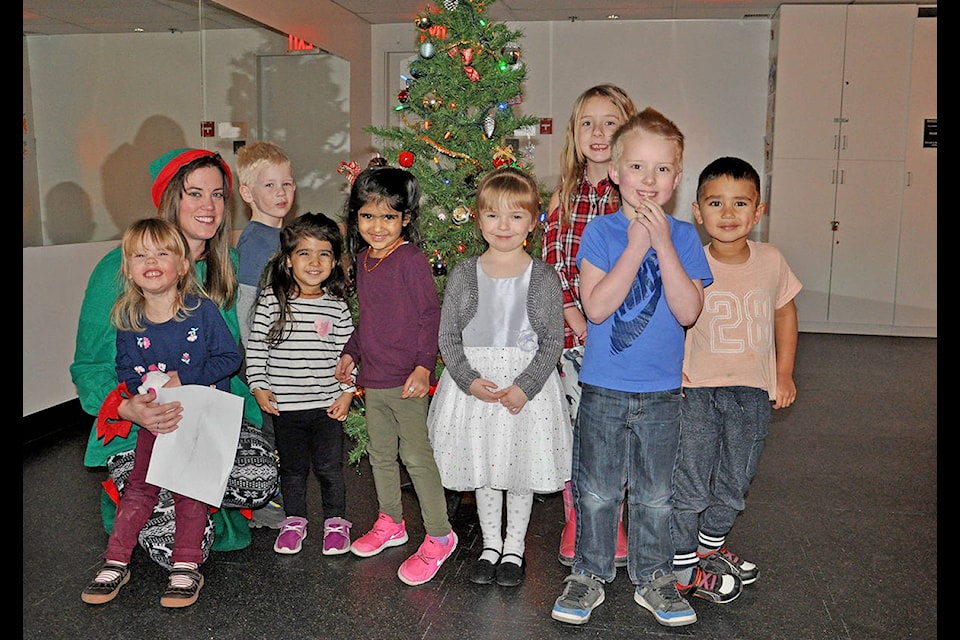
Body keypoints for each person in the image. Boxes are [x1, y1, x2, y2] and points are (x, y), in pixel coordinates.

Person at [550, 108, 716, 628]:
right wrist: (637, 244)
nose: (650, 180)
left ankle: (654, 580)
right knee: (596, 488)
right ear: (616, 172)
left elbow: (688, 311)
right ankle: (589, 575)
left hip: (663, 392)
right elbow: (596, 308)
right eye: (639, 168)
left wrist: (663, 242)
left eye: (662, 169)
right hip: (603, 387)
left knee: (655, 493)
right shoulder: (600, 232)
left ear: (677, 176)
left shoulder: (686, 238)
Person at [71, 148, 275, 570]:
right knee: (173, 548)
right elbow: (90, 366)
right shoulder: (119, 268)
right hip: (144, 424)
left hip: (209, 416)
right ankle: (142, 495)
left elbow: (238, 353)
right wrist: (127, 407)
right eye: (194, 193)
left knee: (260, 480)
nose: (209, 206)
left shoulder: (229, 265)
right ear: (170, 201)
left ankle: (196, 498)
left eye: (218, 195)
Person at [81, 218, 242, 608]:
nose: (150, 262)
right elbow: (124, 370)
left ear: (182, 265)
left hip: (199, 420)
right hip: (157, 421)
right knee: (140, 489)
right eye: (140, 255)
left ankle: (186, 566)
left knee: (190, 490)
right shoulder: (129, 319)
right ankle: (115, 560)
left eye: (162, 253)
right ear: (129, 269)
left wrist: (181, 377)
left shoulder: (201, 311)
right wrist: (139, 399)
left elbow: (230, 358)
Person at [428, 167, 572, 588]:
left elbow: (552, 341)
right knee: (485, 467)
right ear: (478, 219)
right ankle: (490, 545)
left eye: (515, 216)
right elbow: (448, 335)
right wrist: (468, 379)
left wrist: (526, 387)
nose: (503, 226)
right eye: (493, 216)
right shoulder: (463, 273)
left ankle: (515, 548)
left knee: (518, 469)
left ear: (532, 221)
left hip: (524, 390)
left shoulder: (543, 276)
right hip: (476, 389)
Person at [671, 156, 801, 600]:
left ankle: (710, 547)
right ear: (697, 210)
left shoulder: (771, 260)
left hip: (752, 391)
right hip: (697, 390)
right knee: (690, 476)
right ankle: (683, 561)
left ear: (758, 211)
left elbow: (785, 311)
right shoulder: (689, 261)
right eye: (716, 203)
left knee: (736, 477)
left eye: (740, 203)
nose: (728, 215)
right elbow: (673, 318)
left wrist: (783, 373)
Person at [334, 166, 457, 586]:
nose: (377, 226)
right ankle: (392, 522)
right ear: (356, 219)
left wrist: (424, 367)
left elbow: (429, 315)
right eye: (368, 216)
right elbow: (368, 319)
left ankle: (440, 535)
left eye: (388, 217)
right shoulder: (364, 262)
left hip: (407, 381)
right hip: (375, 380)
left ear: (405, 219)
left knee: (417, 459)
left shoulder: (410, 259)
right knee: (381, 456)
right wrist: (352, 351)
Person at [542, 83, 638, 569]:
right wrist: (575, 316)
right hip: (570, 337)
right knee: (574, 428)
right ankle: (577, 515)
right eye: (588, 123)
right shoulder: (564, 194)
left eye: (610, 123)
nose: (598, 133)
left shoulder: (635, 197)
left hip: (622, 337)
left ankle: (611, 515)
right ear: (575, 134)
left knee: (612, 430)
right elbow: (550, 263)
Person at [245, 213, 356, 556]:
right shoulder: (270, 301)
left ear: (335, 261)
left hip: (326, 407)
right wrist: (258, 385)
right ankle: (295, 519)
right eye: (304, 253)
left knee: (329, 469)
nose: (314, 261)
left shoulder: (337, 308)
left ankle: (335, 521)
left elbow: (349, 356)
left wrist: (348, 393)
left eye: (324, 253)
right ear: (289, 260)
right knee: (292, 469)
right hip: (285, 407)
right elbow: (256, 347)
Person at [234, 141, 298, 529]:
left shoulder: (280, 237)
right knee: (268, 431)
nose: (281, 194)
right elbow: (247, 310)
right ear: (247, 193)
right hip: (264, 362)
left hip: (280, 357)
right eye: (270, 186)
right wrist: (260, 365)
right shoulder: (257, 243)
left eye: (287, 185)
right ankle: (263, 503)